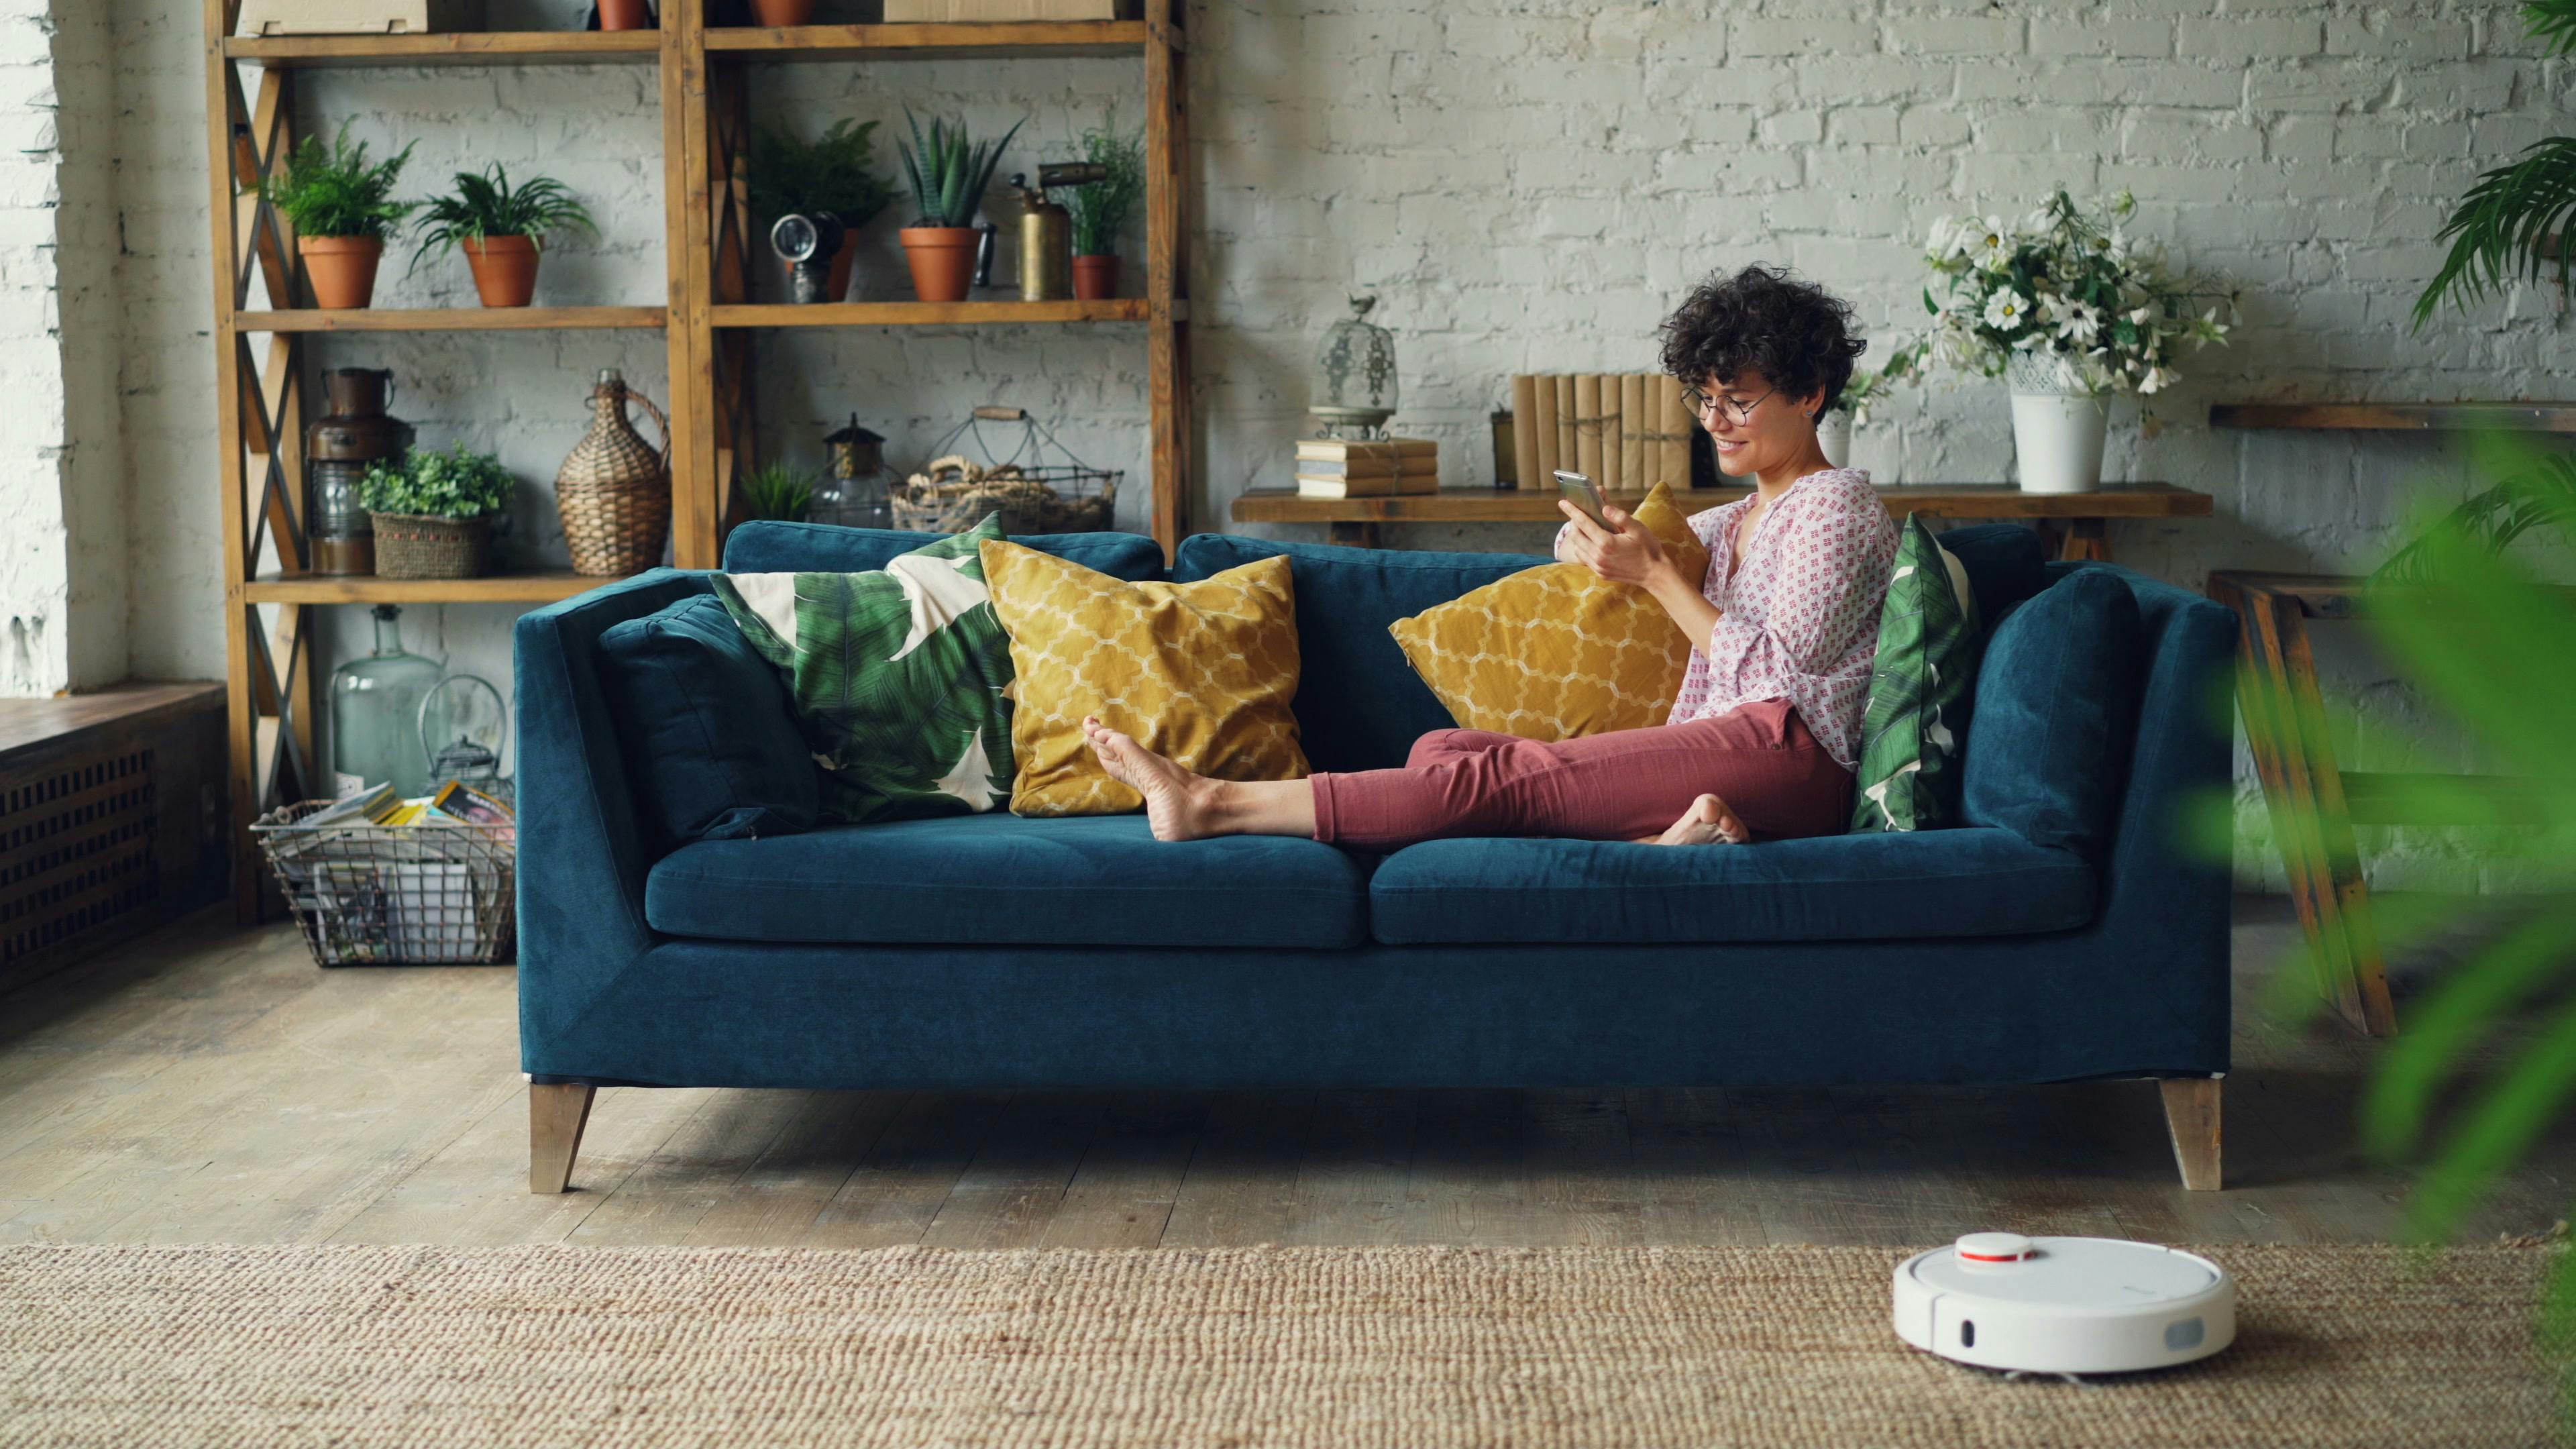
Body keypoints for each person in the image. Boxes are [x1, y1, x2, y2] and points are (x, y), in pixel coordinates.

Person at [1083, 264, 1899, 849]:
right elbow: (1610, 572)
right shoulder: (1729, 521)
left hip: (1792, 759)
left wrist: (1655, 576)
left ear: (1810, 393)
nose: (1716, 421)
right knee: (1446, 752)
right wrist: (1592, 546)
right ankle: (1678, 842)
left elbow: (1779, 686)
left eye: (1740, 400)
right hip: (1728, 748)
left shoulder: (1836, 506)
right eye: (1706, 399)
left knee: (1497, 780)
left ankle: (1211, 801)